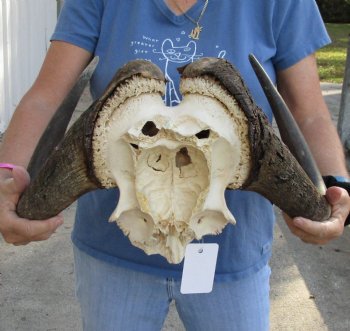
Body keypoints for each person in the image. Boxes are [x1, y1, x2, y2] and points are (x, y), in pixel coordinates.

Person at [0, 0, 349, 330]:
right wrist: (7, 179)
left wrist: (336, 188)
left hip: (231, 257)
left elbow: (310, 113)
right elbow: (45, 99)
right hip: (112, 253)